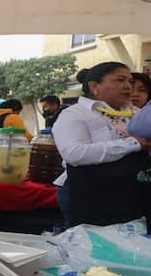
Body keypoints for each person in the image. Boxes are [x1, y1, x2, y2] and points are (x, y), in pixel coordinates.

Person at [52, 63, 151, 227]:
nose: (128, 86)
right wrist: (133, 143)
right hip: (89, 194)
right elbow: (74, 153)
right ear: (94, 86)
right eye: (120, 80)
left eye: (129, 81)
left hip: (131, 192)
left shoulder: (136, 113)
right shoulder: (74, 114)